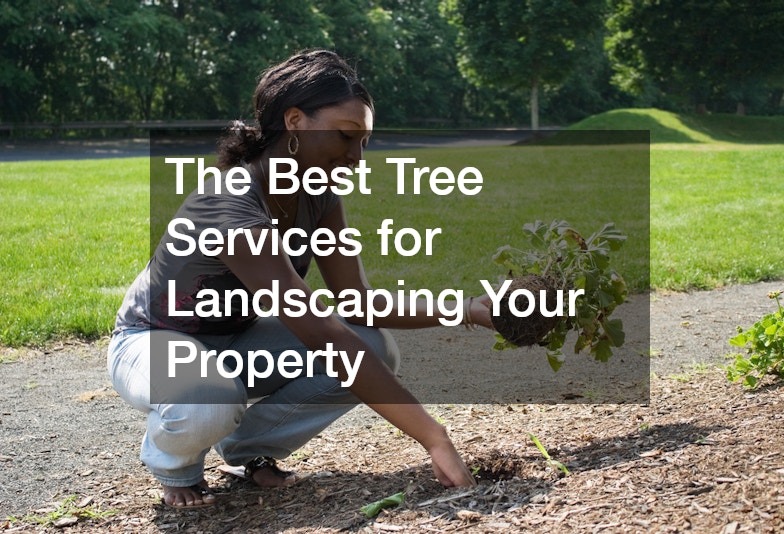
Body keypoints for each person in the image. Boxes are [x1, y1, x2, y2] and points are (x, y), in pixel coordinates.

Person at [107, 49, 494, 509]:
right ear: (294, 120)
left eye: (364, 142)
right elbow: (316, 329)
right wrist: (434, 437)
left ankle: (248, 452)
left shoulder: (320, 194)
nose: (356, 157)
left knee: (372, 344)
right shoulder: (229, 203)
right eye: (346, 137)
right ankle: (175, 466)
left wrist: (472, 311)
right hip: (153, 341)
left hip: (234, 339)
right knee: (209, 398)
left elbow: (357, 303)